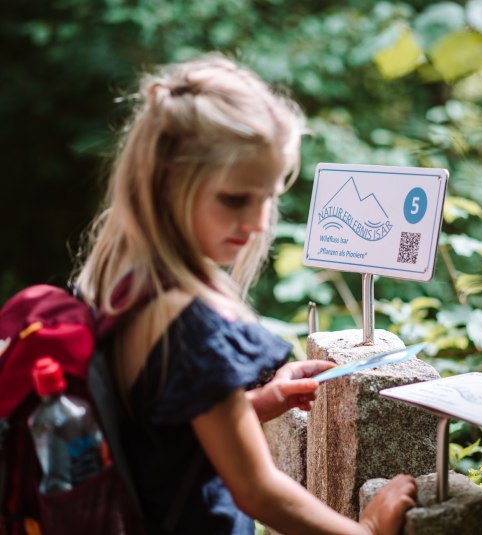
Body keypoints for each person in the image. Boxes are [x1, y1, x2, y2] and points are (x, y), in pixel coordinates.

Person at [72, 54, 417, 534]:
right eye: (235, 199)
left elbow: (160, 431)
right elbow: (258, 491)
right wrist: (369, 531)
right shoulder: (188, 324)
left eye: (269, 196)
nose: (257, 222)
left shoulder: (123, 279)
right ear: (168, 183)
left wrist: (260, 400)